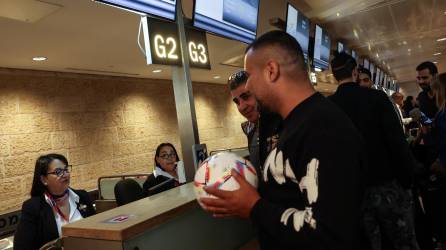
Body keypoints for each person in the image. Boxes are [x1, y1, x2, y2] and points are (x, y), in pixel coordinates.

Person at [201, 31, 364, 250]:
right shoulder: (295, 124)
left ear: (271, 70)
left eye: (249, 76)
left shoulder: (322, 128)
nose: (247, 86)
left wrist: (253, 206)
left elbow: (332, 235)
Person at [328, 52, 419, 250]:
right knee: (403, 241)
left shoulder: (329, 106)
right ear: (355, 72)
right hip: (387, 187)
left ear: (334, 76)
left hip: (355, 194)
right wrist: (407, 179)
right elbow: (396, 142)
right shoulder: (376, 98)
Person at [14, 154, 95, 250]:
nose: (65, 174)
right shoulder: (33, 207)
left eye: (66, 169)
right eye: (58, 172)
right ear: (44, 180)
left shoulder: (82, 196)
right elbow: (21, 247)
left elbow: (97, 230)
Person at [227, 71, 282, 170]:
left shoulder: (286, 123)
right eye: (237, 101)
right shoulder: (250, 130)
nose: (241, 106)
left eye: (246, 96)